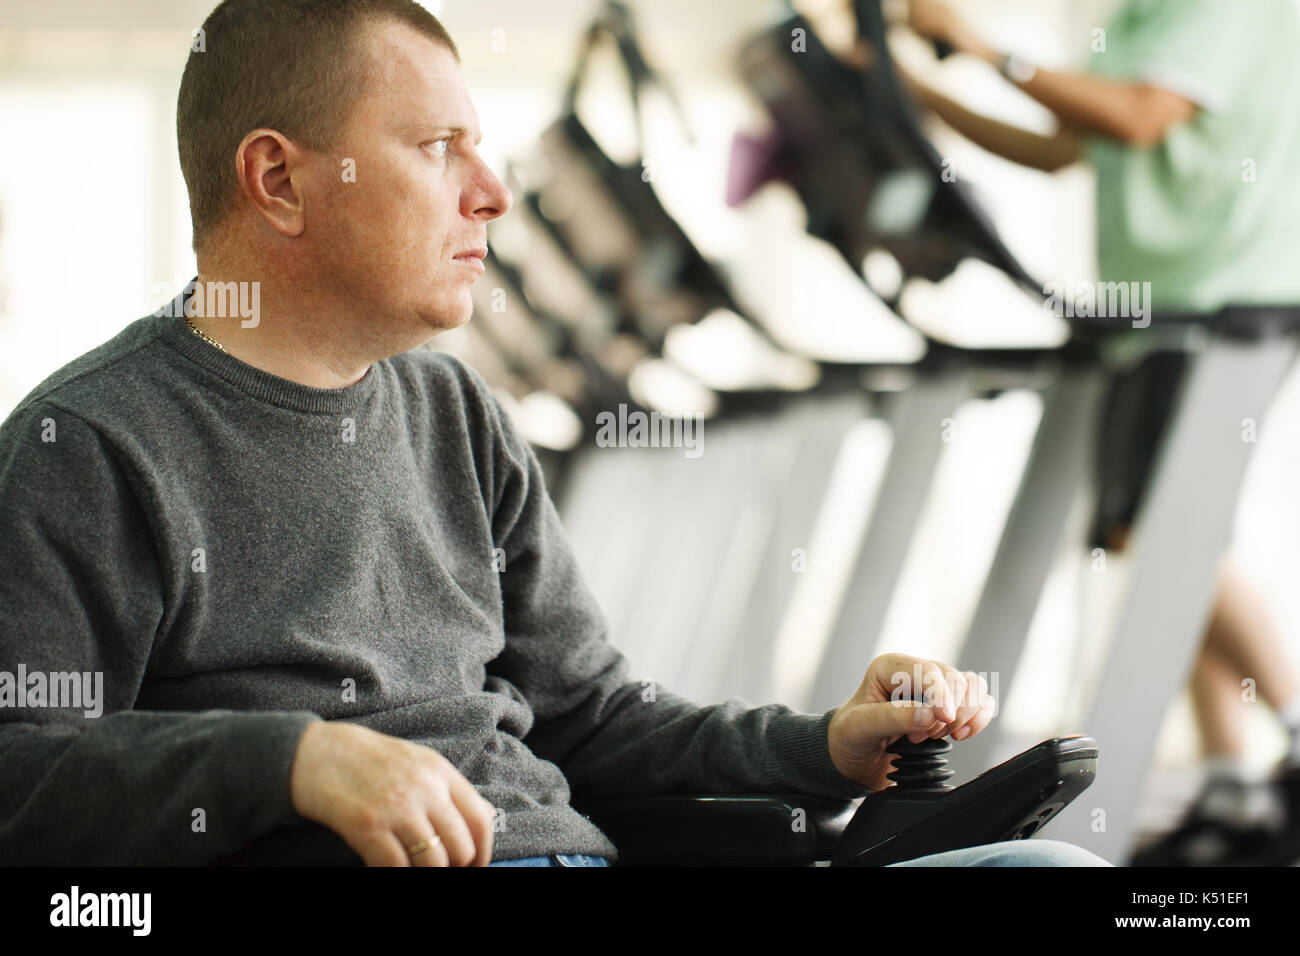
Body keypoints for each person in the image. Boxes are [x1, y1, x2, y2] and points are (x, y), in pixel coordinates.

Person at [0, 0, 1108, 868]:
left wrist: (821, 744)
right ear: (280, 180)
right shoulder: (88, 442)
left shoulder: (455, 415)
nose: (492, 192)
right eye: (439, 147)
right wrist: (291, 758)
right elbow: (19, 772)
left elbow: (592, 718)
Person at [900, 0, 1300, 865]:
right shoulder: (1134, 20)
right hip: (1159, 309)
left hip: (1219, 299)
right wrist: (920, 91)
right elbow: (1066, 146)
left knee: (1167, 535)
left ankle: (1294, 732)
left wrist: (979, 46)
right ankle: (1233, 788)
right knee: (1156, 544)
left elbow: (1143, 116)